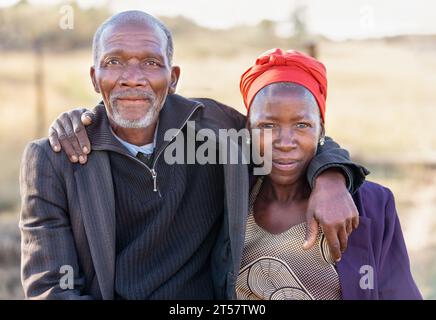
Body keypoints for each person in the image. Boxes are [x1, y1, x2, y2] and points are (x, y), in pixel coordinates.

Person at [20, 10, 367, 300]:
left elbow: (289, 133)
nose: (132, 78)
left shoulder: (213, 130)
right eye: (114, 62)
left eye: (151, 62)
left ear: (173, 78)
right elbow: (50, 288)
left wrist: (331, 177)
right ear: (95, 78)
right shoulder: (54, 159)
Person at [235, 48, 422, 300]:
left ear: (322, 129)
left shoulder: (373, 204)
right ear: (247, 129)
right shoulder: (228, 197)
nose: (285, 141)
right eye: (267, 125)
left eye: (302, 125)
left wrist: (332, 178)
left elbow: (397, 292)